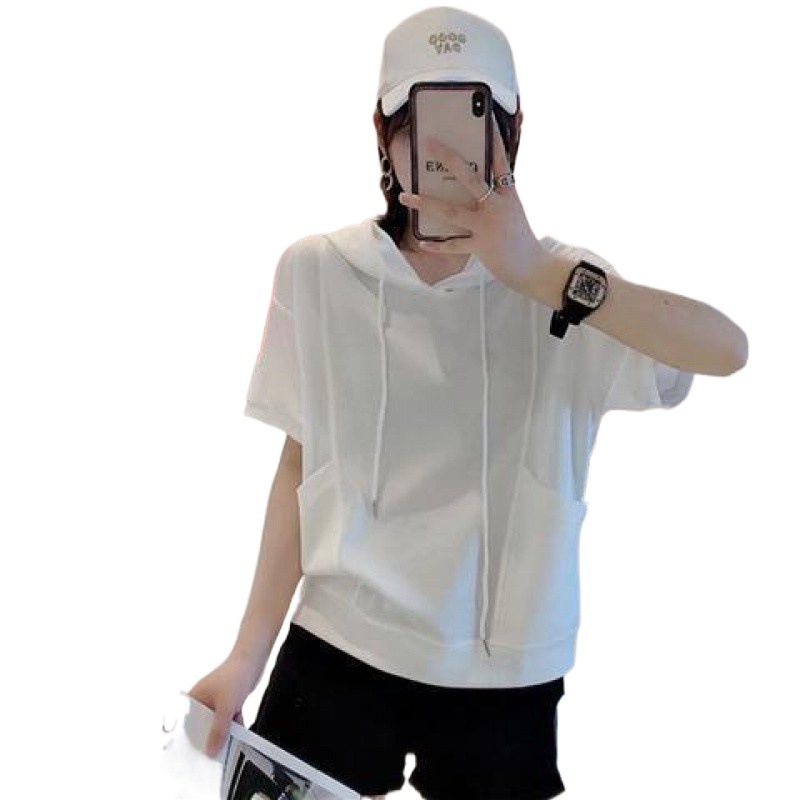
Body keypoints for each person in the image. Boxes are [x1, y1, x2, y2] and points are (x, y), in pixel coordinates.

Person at [188, 7, 747, 800]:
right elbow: (301, 460)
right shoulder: (317, 271)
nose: (447, 150)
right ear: (382, 131)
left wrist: (538, 273)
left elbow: (726, 351)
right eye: (421, 120)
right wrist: (246, 656)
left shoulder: (568, 285)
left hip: (509, 669)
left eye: (475, 116)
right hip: (340, 639)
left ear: (514, 130)